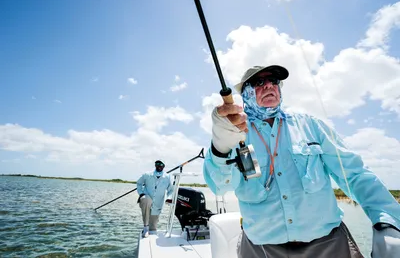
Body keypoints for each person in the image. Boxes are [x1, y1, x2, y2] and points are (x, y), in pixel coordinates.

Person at [203, 65, 400, 258]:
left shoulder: (311, 125)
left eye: (274, 81)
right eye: (259, 82)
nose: (269, 86)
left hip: (328, 244)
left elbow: (355, 175)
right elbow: (220, 187)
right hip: (261, 249)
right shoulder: (231, 132)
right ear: (245, 93)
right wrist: (220, 145)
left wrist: (387, 221)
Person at [137, 160, 173, 238]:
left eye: (161, 164)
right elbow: (139, 183)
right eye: (157, 164)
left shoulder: (168, 177)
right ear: (155, 165)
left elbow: (170, 190)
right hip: (146, 199)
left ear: (163, 166)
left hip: (158, 203)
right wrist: (141, 193)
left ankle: (151, 230)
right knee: (146, 200)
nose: (159, 166)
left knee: (153, 227)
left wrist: (169, 198)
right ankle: (145, 227)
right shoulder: (147, 175)